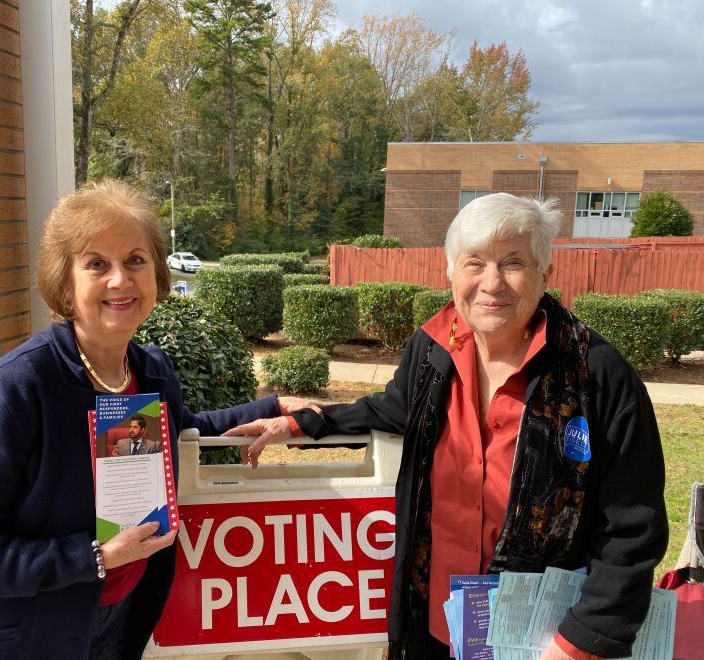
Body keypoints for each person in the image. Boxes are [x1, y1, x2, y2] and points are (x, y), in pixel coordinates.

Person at [226, 193, 668, 660]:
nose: (492, 283)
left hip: (542, 639)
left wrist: (582, 640)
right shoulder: (432, 348)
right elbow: (395, 407)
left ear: (545, 275)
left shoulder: (596, 375)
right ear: (451, 273)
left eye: (513, 262)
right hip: (435, 619)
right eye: (474, 263)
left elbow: (631, 528)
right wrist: (299, 425)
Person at [0, 180, 318, 659]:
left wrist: (268, 410)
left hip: (121, 615)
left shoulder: (149, 369)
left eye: (135, 260)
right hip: (28, 635)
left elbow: (180, 430)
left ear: (156, 274)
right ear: (65, 284)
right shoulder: (13, 393)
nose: (121, 279)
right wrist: (93, 557)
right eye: (97, 264)